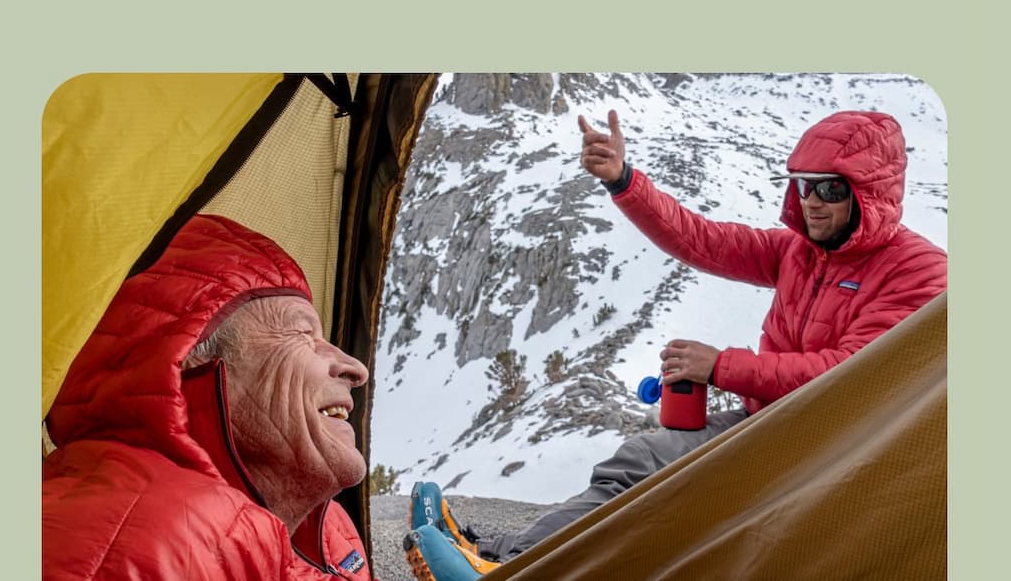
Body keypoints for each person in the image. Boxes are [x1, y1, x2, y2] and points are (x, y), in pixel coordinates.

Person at [401, 109, 948, 580]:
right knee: (639, 462)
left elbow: (849, 376)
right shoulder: (802, 252)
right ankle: (495, 553)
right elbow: (702, 240)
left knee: (651, 468)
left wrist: (721, 367)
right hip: (775, 423)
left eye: (830, 189)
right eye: (803, 186)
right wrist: (623, 180)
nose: (812, 203)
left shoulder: (919, 272)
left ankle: (509, 569)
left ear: (871, 193)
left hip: (831, 445)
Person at [42, 214, 375, 580]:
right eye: (302, 333)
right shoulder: (149, 545)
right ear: (186, 359)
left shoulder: (330, 534)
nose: (356, 369)